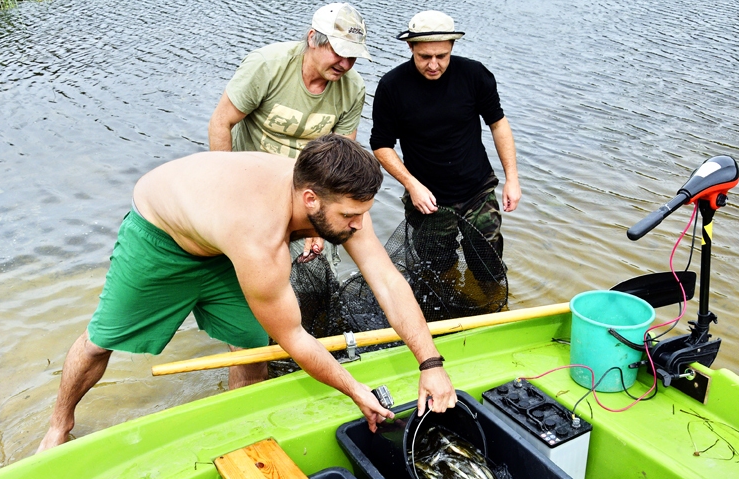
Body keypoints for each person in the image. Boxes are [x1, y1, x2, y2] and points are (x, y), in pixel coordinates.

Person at [37, 135, 456, 452]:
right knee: (100, 342)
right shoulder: (259, 240)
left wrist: (430, 362)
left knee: (252, 346)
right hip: (161, 236)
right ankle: (59, 424)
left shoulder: (328, 192)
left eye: (362, 214)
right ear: (310, 199)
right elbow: (294, 338)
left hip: (221, 235)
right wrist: (356, 390)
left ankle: (235, 435)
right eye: (350, 216)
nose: (358, 226)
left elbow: (386, 280)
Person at [209, 2, 371, 263]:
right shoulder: (268, 66)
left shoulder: (353, 88)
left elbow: (340, 163)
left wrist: (319, 222)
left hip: (307, 197)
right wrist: (226, 192)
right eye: (338, 52)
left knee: (317, 262)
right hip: (250, 185)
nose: (345, 64)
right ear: (312, 38)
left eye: (352, 57)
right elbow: (220, 122)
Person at [370, 11, 520, 288]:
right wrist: (411, 185)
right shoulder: (392, 87)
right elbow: (381, 144)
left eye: (442, 56)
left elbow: (498, 124)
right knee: (437, 273)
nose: (434, 65)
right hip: (427, 200)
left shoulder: (474, 75)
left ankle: (489, 303)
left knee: (488, 267)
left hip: (477, 190)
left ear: (452, 47)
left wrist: (512, 179)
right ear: (410, 47)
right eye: (425, 57)